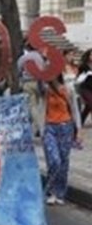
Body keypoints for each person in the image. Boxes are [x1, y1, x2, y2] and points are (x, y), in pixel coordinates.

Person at [44, 75, 82, 205]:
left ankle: (60, 192)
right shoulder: (44, 89)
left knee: (64, 161)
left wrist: (78, 129)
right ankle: (50, 191)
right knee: (54, 160)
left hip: (66, 126)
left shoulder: (68, 89)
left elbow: (75, 110)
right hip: (49, 127)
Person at [18, 43, 47, 137]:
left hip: (27, 82)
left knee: (32, 106)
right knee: (39, 106)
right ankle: (39, 124)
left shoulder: (24, 58)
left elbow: (18, 68)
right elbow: (43, 70)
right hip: (38, 82)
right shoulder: (40, 58)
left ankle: (39, 126)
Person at [76, 49, 92, 127]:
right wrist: (87, 74)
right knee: (91, 103)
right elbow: (79, 77)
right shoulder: (84, 66)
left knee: (88, 106)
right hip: (85, 87)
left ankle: (81, 120)